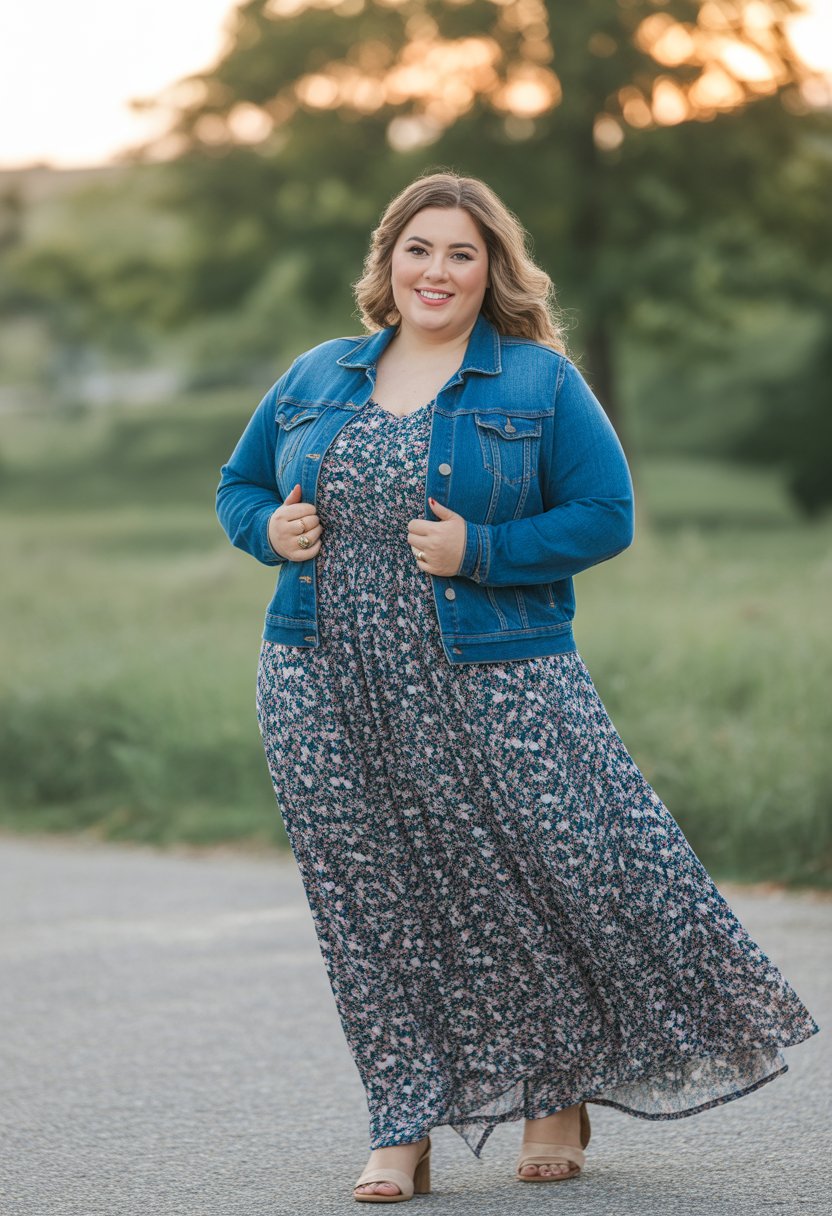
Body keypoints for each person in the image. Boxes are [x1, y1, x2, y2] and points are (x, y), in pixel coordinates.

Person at [215, 171, 819, 1202]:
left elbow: (605, 513)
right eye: (418, 249)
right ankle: (402, 1122)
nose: (436, 271)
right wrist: (268, 528)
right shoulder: (318, 371)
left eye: (461, 253)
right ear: (388, 262)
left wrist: (483, 550)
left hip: (498, 677)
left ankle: (556, 1091)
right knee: (374, 906)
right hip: (323, 679)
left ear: (491, 269)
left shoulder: (537, 380)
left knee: (556, 876)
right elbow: (239, 486)